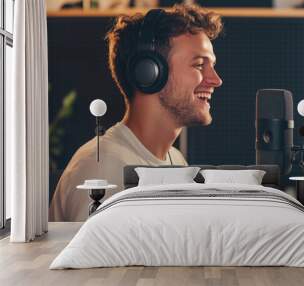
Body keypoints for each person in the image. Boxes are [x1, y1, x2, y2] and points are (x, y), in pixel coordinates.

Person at [49, 4, 223, 221]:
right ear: (150, 73)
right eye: (199, 65)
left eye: (212, 65)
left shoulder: (175, 160)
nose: (216, 80)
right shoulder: (103, 168)